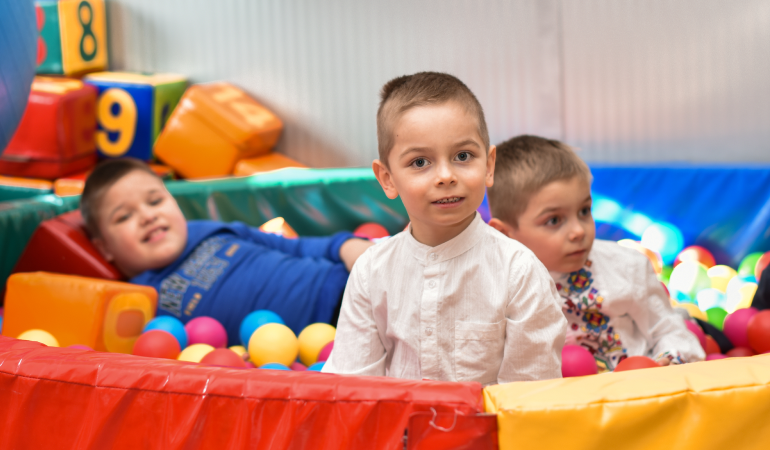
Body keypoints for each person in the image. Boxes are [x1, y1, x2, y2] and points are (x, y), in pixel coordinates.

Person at [323, 72, 567, 385]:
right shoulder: (371, 271)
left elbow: (528, 395)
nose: (445, 176)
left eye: (463, 156)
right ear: (387, 179)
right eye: (420, 162)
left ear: (489, 165)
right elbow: (352, 387)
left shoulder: (518, 272)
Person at [79, 158, 373, 344]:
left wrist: (345, 246)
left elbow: (292, 245)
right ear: (105, 248)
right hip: (311, 346)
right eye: (124, 217)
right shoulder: (138, 300)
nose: (147, 216)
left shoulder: (206, 230)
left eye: (155, 201)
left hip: (343, 286)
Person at [487, 135, 705, 371]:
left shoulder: (626, 267)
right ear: (505, 235)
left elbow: (667, 329)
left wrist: (667, 359)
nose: (578, 231)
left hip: (637, 383)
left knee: (687, 323)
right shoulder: (497, 289)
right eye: (554, 220)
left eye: (584, 210)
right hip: (561, 392)